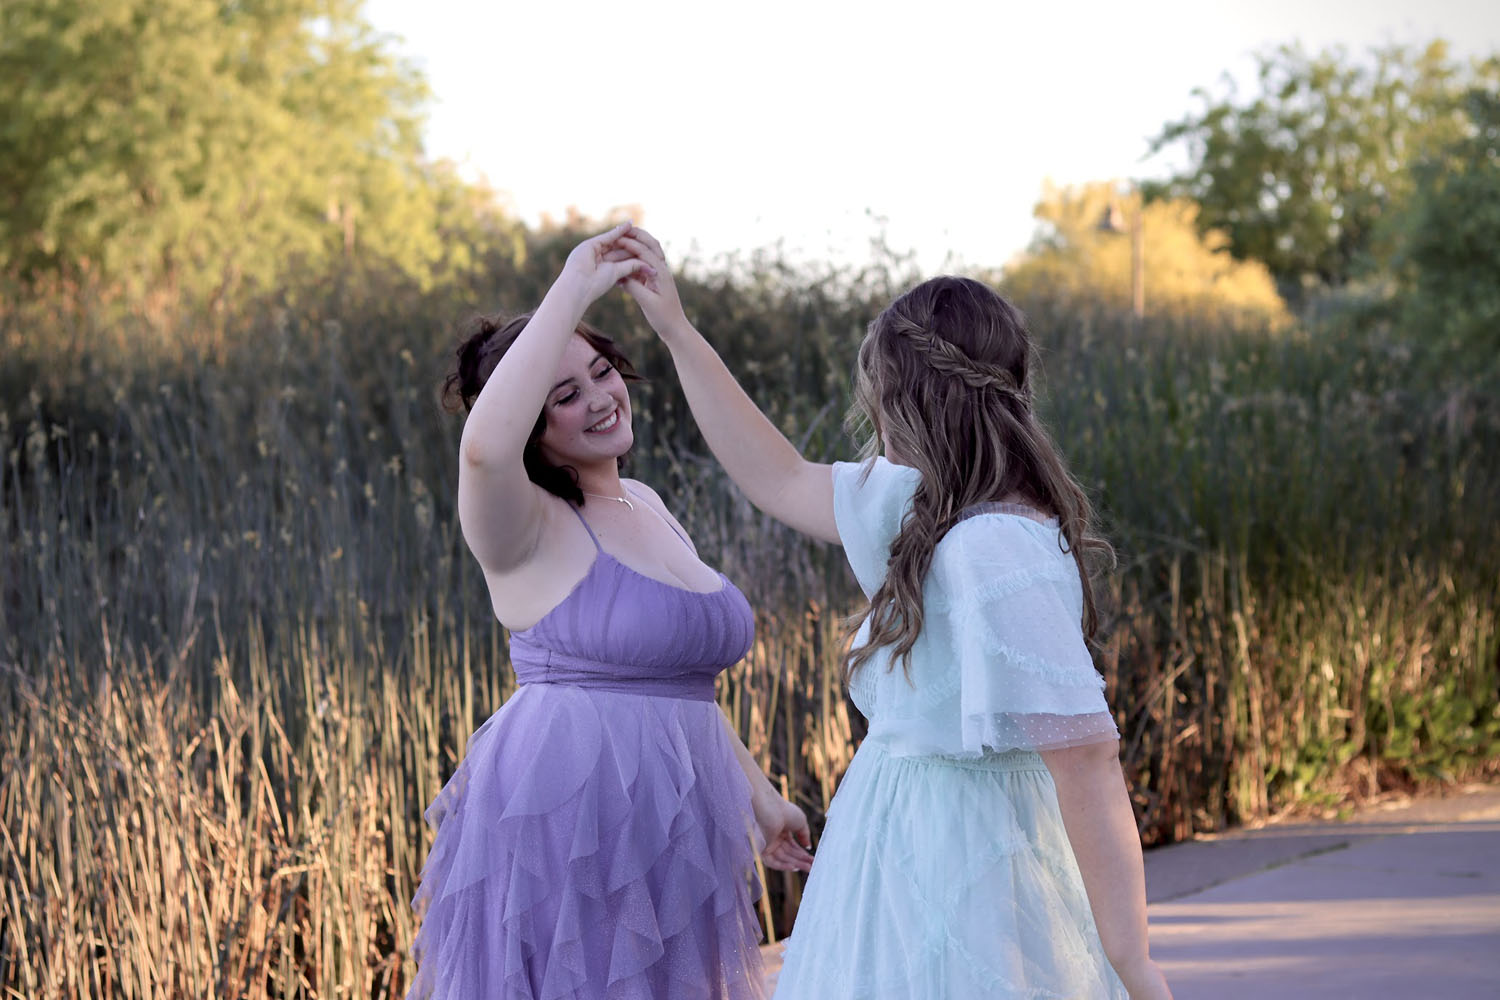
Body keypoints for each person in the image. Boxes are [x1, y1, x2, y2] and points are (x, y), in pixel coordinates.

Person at [615, 227, 1174, 1000]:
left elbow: (1085, 756)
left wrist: (1131, 959)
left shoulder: (987, 545)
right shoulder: (919, 506)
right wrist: (674, 328)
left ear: (899, 398)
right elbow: (775, 475)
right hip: (915, 839)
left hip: (957, 846)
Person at [407, 223, 814, 1000]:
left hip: (677, 829)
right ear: (534, 427)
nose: (600, 399)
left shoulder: (650, 503)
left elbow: (681, 682)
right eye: (565, 395)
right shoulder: (521, 527)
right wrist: (572, 285)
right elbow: (484, 451)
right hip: (574, 829)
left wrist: (761, 798)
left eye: (602, 373)